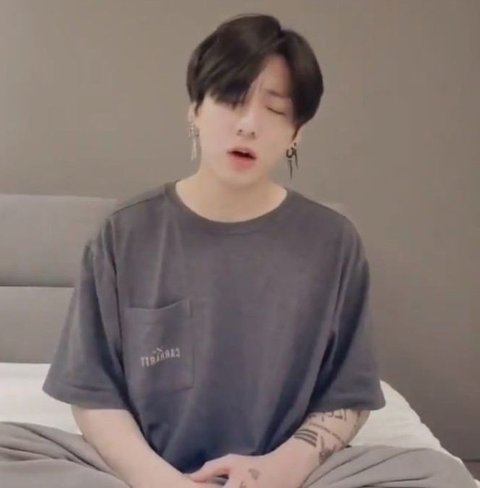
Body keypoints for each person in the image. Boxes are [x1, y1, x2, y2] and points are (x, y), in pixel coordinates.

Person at [3, 12, 471, 488]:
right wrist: (164, 483)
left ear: (296, 133)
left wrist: (277, 472)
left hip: (285, 475)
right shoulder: (124, 234)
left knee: (440, 477)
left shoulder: (333, 242)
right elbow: (94, 394)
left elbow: (347, 395)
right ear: (194, 110)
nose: (248, 125)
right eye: (231, 100)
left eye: (275, 110)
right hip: (146, 473)